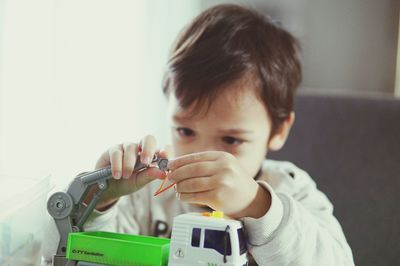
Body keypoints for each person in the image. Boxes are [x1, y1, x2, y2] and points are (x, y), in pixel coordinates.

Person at [43, 4, 354, 265]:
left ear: (279, 129)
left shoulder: (292, 190)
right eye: (185, 130)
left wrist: (257, 205)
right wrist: (101, 199)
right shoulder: (149, 196)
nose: (202, 154)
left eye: (231, 140)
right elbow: (77, 254)